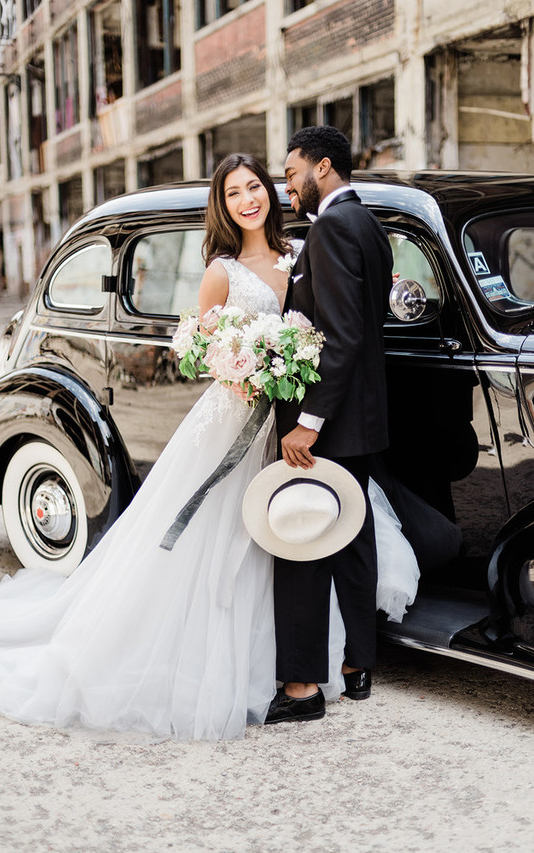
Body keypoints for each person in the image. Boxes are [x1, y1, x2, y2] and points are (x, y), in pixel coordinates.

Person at [0, 152, 417, 741]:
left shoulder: (301, 254)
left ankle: (329, 660)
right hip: (239, 416)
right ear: (223, 206)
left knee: (304, 533)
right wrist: (243, 364)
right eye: (234, 194)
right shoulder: (222, 270)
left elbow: (332, 329)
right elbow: (197, 349)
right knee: (228, 534)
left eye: (256, 186)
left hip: (294, 416)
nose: (249, 199)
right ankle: (251, 664)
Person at [267, 126, 394, 725]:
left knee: (301, 541)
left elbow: (341, 336)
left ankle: (302, 688)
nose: (286, 186)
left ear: (320, 169)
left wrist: (309, 422)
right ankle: (358, 666)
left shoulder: (333, 227)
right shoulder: (368, 223)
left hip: (331, 421)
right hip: (361, 419)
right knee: (353, 536)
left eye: (291, 174)